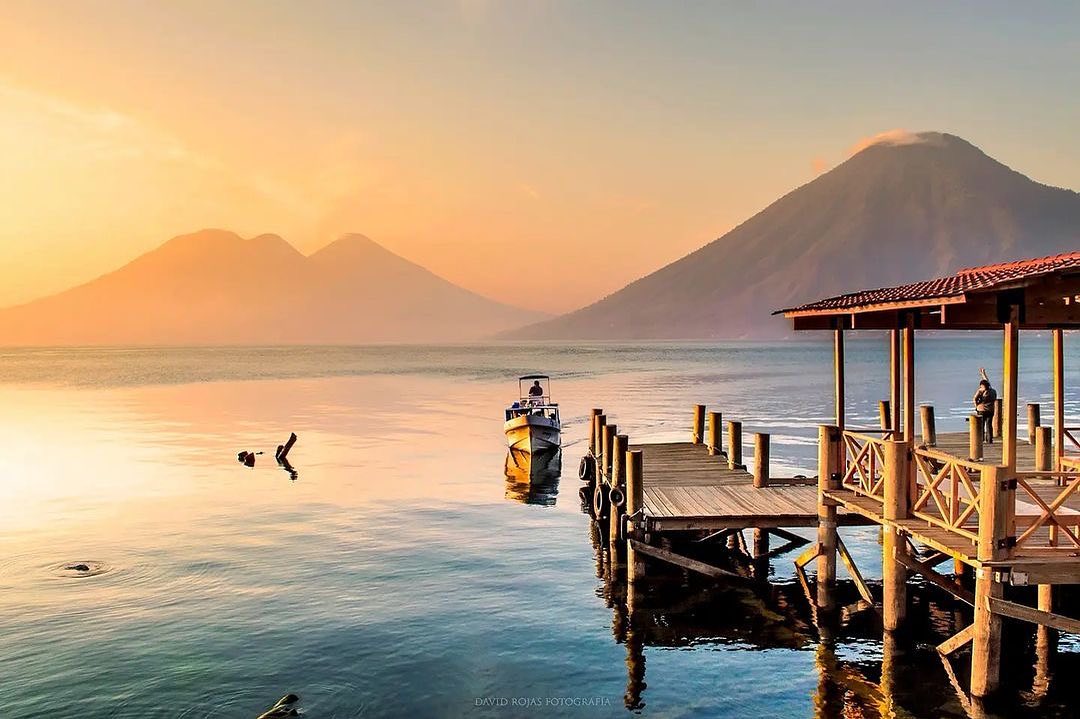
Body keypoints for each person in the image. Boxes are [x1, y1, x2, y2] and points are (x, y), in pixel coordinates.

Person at [973, 368, 997, 444]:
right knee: (989, 425)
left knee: (981, 426)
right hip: (991, 410)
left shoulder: (981, 392)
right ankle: (989, 440)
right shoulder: (992, 391)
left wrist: (976, 407)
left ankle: (981, 440)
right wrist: (983, 374)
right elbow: (987, 381)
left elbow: (974, 399)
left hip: (981, 410)